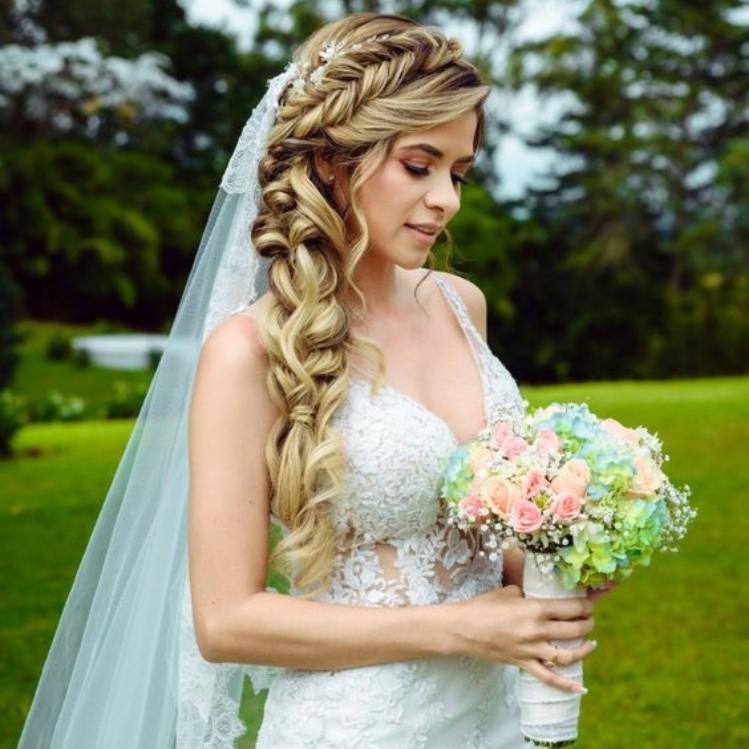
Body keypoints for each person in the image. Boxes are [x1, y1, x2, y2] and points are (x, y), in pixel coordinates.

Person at [18, 12, 614, 748]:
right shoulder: (250, 351)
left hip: (491, 713)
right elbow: (226, 619)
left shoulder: (460, 306)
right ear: (334, 159)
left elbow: (465, 532)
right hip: (359, 723)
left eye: (458, 173)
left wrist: (560, 557)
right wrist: (462, 624)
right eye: (419, 166)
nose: (446, 201)